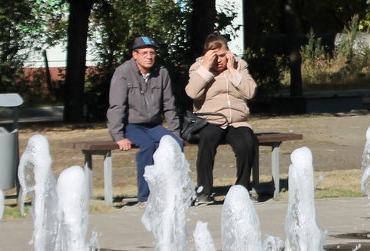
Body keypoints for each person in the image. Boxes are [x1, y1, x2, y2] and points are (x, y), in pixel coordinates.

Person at [107, 35, 183, 204]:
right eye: (144, 53)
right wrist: (118, 136)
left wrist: (175, 131)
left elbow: (169, 104)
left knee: (176, 145)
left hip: (154, 125)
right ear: (135, 55)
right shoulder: (123, 73)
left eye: (152, 53)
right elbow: (116, 106)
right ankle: (145, 196)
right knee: (148, 146)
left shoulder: (161, 72)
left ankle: (173, 191)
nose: (149, 57)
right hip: (132, 125)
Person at [185, 33, 258, 205]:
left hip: (237, 120)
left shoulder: (240, 66)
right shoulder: (197, 68)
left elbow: (249, 92)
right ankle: (204, 191)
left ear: (229, 53)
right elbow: (192, 93)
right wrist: (205, 68)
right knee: (207, 140)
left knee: (247, 143)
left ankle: (242, 189)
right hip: (210, 119)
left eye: (223, 55)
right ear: (206, 55)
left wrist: (232, 71)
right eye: (214, 56)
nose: (219, 60)